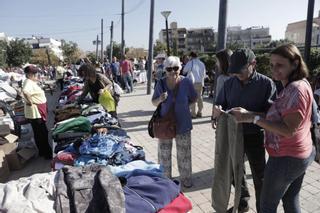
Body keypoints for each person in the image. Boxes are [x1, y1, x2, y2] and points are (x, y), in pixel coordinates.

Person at [230, 44, 316, 212]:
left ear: (295, 63)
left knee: (266, 205)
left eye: (280, 65)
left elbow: (287, 129)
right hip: (298, 153)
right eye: (272, 65)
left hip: (286, 158)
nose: (274, 69)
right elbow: (279, 118)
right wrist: (249, 114)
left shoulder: (296, 90)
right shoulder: (293, 85)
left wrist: (251, 117)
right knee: (291, 199)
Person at [213, 48, 276, 213]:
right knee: (234, 171)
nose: (236, 75)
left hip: (255, 135)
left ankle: (263, 209)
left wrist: (249, 115)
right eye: (233, 71)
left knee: (259, 175)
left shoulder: (266, 84)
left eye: (240, 71)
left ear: (253, 64)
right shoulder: (229, 83)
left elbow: (273, 116)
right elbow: (221, 104)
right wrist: (217, 112)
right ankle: (242, 202)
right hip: (232, 135)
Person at [152, 56, 197, 188]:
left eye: (176, 68)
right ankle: (166, 181)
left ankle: (186, 179)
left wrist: (184, 106)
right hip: (165, 124)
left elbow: (194, 98)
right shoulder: (160, 83)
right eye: (169, 69)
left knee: (184, 154)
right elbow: (154, 102)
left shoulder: (186, 82)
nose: (173, 71)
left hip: (183, 124)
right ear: (165, 70)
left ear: (180, 68)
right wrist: (160, 99)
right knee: (164, 155)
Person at [22, 65, 52, 159]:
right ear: (29, 74)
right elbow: (25, 92)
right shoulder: (28, 83)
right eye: (34, 74)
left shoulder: (30, 82)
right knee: (42, 132)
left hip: (35, 111)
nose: (36, 75)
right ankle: (47, 153)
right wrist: (30, 102)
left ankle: (42, 151)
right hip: (35, 112)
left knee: (38, 132)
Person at [211, 49, 233, 128]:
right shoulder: (237, 77)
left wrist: (213, 117)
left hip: (224, 115)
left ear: (223, 62)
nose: (216, 64)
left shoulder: (222, 79)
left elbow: (218, 100)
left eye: (217, 61)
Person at [183, 52, 206, 118]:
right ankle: (200, 112)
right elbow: (204, 74)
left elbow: (184, 71)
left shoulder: (190, 63)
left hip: (193, 83)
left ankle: (193, 114)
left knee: (192, 98)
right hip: (200, 83)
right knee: (200, 97)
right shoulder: (202, 63)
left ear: (191, 56)